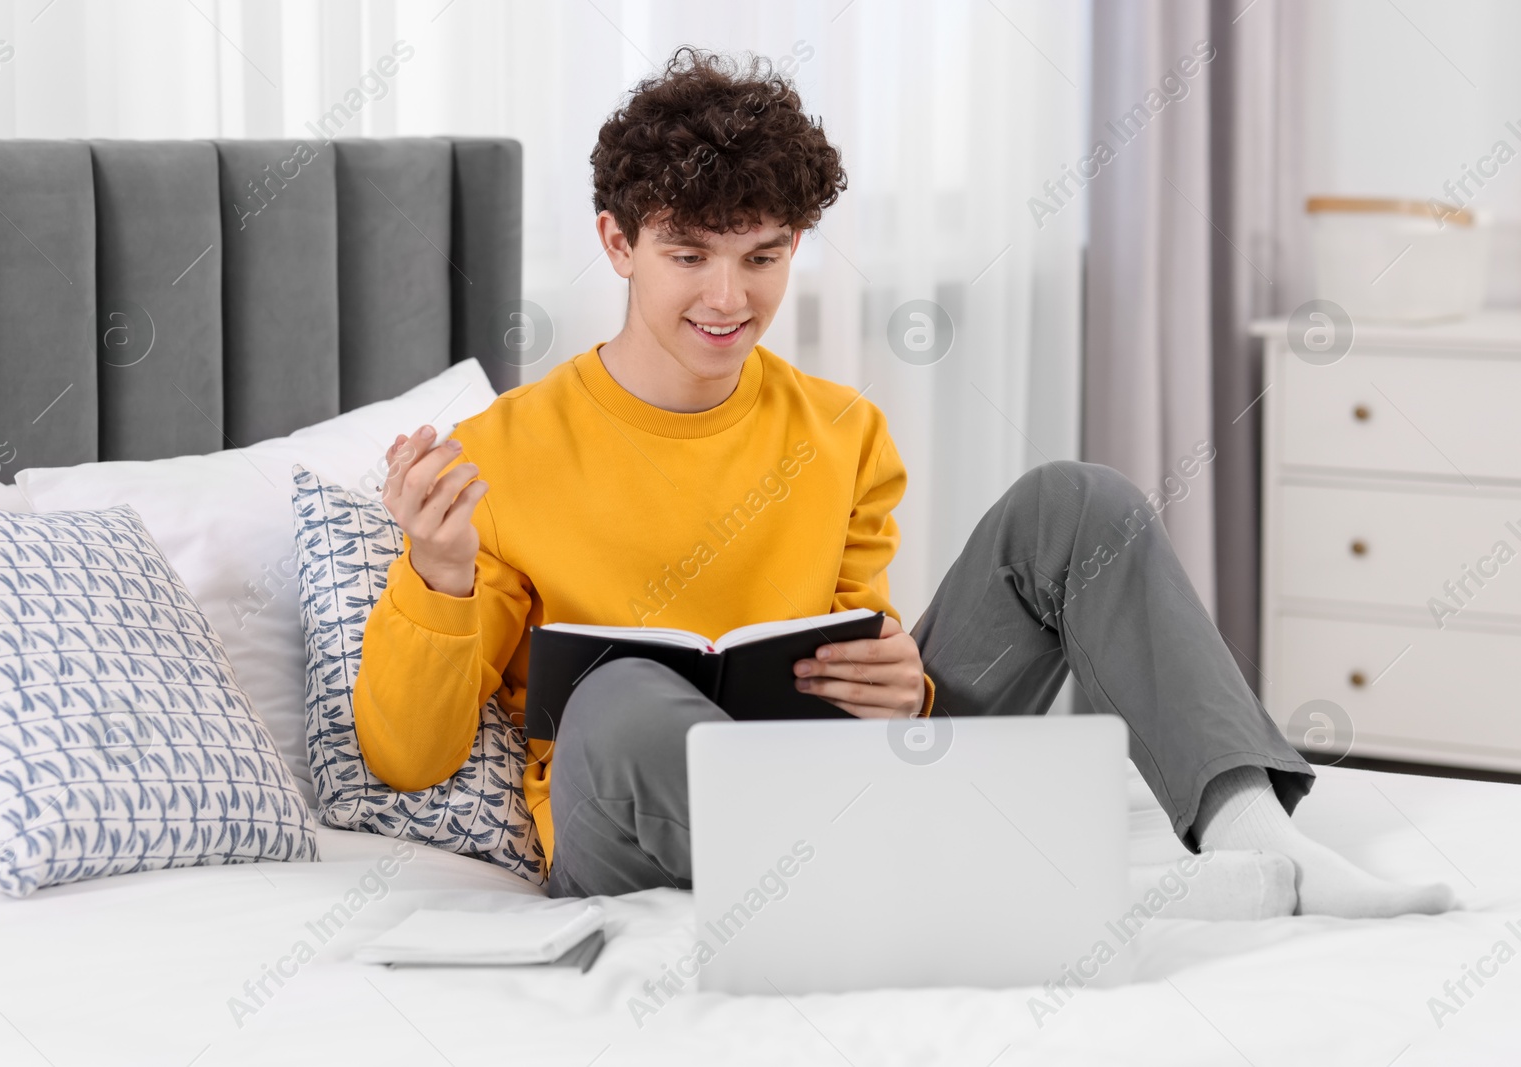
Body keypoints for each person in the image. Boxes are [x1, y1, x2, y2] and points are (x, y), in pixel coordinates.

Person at [354, 47, 1453, 918]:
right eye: (689, 255)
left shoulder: (840, 428)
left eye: (764, 255)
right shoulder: (501, 451)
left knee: (1077, 502)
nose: (727, 297)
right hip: (637, 817)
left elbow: (869, 659)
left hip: (842, 785)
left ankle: (1255, 837)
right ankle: (966, 881)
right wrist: (436, 575)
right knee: (619, 698)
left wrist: (906, 686)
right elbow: (408, 758)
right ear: (617, 242)